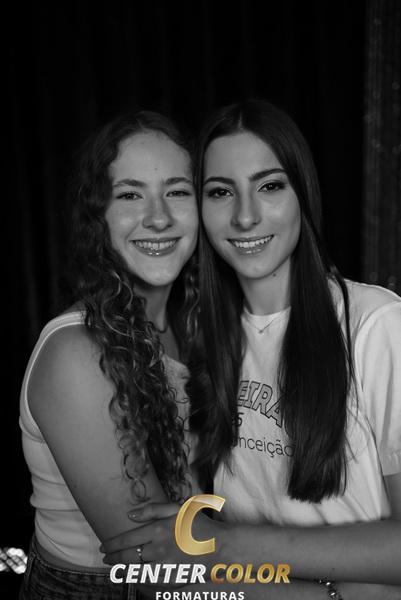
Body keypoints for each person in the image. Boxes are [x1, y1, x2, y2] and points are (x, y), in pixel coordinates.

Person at [101, 101, 401, 599]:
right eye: (221, 192)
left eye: (270, 186)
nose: (245, 216)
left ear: (303, 194)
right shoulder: (198, 334)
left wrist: (224, 545)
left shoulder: (376, 324)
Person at [19, 110, 199, 599]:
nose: (158, 217)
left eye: (177, 192)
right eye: (130, 195)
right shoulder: (76, 354)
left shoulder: (194, 323)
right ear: (98, 215)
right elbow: (155, 566)